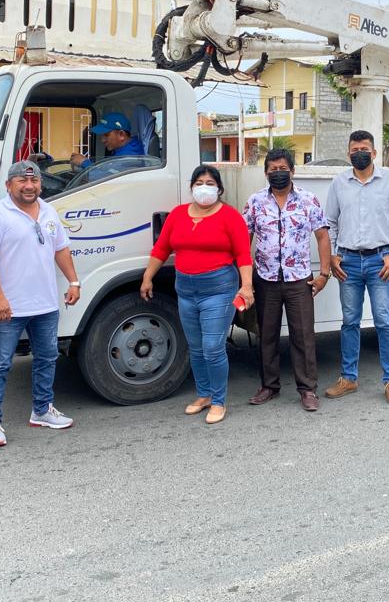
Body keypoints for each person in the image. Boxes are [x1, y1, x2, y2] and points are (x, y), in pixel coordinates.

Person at [0, 160, 81, 447]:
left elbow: (61, 248)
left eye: (34, 181)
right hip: (8, 306)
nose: (29, 186)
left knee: (47, 358)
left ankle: (42, 410)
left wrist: (74, 281)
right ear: (9, 185)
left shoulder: (48, 210)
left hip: (45, 304)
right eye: (22, 181)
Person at [140, 165, 254, 424]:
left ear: (219, 189)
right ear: (191, 187)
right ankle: (204, 395)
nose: (204, 188)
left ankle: (218, 401)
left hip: (219, 290)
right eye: (199, 183)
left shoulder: (230, 216)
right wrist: (148, 277)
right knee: (196, 348)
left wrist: (246, 286)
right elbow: (162, 249)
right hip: (186, 291)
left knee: (213, 347)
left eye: (210, 183)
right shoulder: (178, 214)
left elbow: (243, 255)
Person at [325, 130, 389, 406]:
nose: (359, 153)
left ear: (374, 153)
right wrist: (334, 255)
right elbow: (330, 222)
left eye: (364, 149)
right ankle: (348, 378)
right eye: (354, 150)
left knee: (384, 321)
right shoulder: (339, 183)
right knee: (350, 321)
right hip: (348, 262)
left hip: (380, 261)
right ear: (348, 153)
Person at [243, 149, 332, 412]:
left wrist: (324, 274)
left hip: (299, 280)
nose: (278, 173)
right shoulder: (256, 201)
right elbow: (244, 239)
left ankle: (307, 389)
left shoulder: (308, 200)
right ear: (265, 173)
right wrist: (245, 279)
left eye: (282, 168)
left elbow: (322, 236)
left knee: (303, 336)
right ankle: (269, 386)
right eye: (272, 169)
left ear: (292, 171)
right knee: (267, 336)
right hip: (265, 278)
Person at [70, 112, 145, 167]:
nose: (103, 140)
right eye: (102, 135)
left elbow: (103, 177)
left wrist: (84, 162)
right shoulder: (130, 145)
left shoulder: (129, 157)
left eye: (106, 135)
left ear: (121, 135)